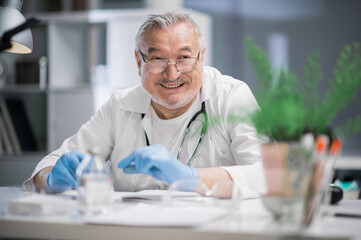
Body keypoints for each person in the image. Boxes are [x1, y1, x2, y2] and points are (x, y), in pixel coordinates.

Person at [24, 11, 266, 198]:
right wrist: (53, 178)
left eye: (183, 58)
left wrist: (191, 178)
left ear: (201, 57)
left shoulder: (231, 97)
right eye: (158, 59)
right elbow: (44, 169)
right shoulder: (120, 106)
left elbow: (269, 175)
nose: (172, 74)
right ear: (138, 62)